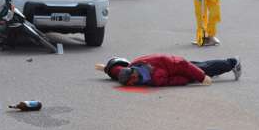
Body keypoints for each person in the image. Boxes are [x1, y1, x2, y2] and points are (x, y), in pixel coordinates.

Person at [95, 55, 241, 86]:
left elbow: (181, 66)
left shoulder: (156, 76)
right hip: (173, 67)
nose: (131, 84)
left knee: (206, 69)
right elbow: (118, 70)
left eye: (131, 81)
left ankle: (233, 63)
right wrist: (108, 68)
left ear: (134, 73)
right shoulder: (132, 68)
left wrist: (200, 77)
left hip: (179, 66)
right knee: (203, 64)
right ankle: (227, 63)